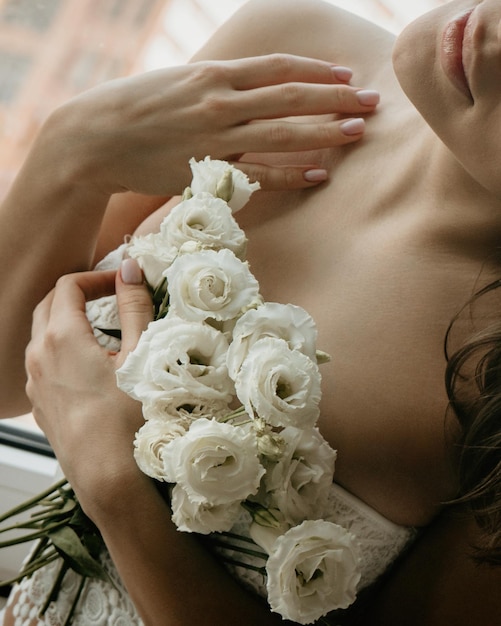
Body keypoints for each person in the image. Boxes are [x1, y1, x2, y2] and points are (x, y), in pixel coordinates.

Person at [1, 0, 500, 623]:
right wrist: (70, 155)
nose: (495, 37)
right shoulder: (287, 61)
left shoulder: (490, 379)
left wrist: (112, 481)